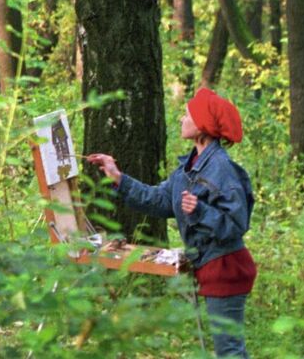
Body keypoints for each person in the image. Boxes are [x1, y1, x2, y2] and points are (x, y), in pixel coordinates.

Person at [86, 87, 257, 357]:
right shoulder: (188, 168)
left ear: (202, 125)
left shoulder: (221, 168)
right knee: (226, 349)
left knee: (230, 351)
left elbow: (236, 224)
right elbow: (159, 200)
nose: (181, 119)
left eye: (187, 114)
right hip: (210, 265)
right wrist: (118, 177)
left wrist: (201, 211)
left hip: (226, 267)